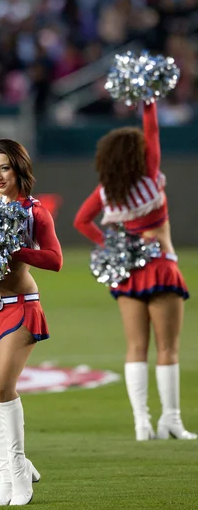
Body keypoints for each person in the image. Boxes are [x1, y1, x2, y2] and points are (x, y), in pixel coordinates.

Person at [73, 101, 196, 441]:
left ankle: (141, 422)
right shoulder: (150, 177)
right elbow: (153, 131)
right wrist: (148, 102)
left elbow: (81, 221)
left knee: (135, 347)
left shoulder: (107, 193)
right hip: (161, 268)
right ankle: (170, 420)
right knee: (168, 348)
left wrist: (111, 244)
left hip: (128, 273)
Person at [0, 139, 63, 506]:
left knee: (3, 386)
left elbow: (54, 259)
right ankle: (4, 479)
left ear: (19, 168)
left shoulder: (35, 211)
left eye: (4, 167)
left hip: (20, 305)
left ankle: (20, 476)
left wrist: (14, 250)